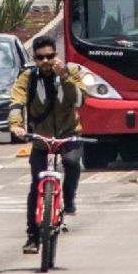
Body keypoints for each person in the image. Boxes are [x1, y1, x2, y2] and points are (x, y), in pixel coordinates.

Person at [9, 35, 87, 255]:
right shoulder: (28, 77)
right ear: (34, 58)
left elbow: (80, 100)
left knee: (72, 163)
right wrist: (16, 125)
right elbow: (16, 101)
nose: (46, 61)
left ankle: (69, 199)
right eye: (40, 57)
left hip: (69, 135)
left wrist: (64, 77)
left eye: (50, 56)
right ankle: (32, 236)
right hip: (42, 139)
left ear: (57, 55)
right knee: (36, 185)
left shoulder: (70, 72)